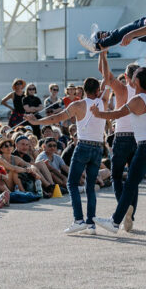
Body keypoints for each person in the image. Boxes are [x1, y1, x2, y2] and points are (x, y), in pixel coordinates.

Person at [92, 64, 146, 237]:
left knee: (130, 184)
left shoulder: (137, 99)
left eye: (134, 77)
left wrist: (99, 114)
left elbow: (117, 114)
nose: (131, 79)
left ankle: (114, 221)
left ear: (138, 81)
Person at [25, 72, 107, 234]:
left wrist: (36, 121)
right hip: (98, 147)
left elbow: (56, 118)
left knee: (72, 183)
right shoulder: (103, 101)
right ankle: (90, 224)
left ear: (82, 90)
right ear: (98, 90)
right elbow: (106, 79)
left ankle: (79, 220)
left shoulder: (78, 105)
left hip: (84, 145)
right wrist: (103, 55)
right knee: (90, 186)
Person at [99, 53, 140, 232]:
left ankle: (124, 210)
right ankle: (131, 212)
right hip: (138, 136)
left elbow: (104, 73)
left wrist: (103, 53)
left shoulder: (122, 89)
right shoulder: (142, 91)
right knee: (133, 178)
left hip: (123, 135)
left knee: (116, 176)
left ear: (126, 76)